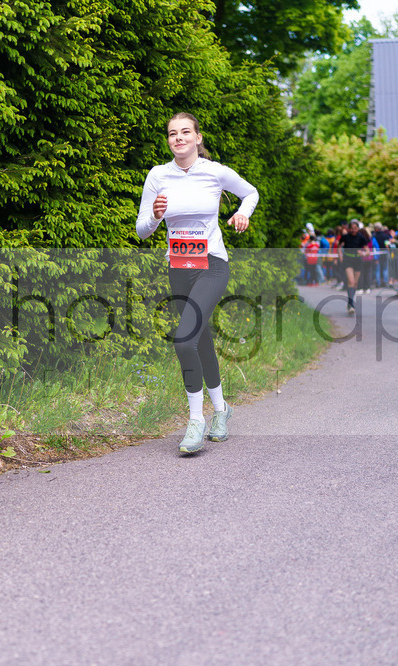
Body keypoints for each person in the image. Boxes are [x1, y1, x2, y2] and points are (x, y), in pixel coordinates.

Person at [136, 112, 258, 454]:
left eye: (185, 132)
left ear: (197, 137)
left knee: (183, 340)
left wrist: (242, 213)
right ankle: (221, 410)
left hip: (211, 265)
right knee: (200, 340)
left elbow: (250, 193)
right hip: (178, 268)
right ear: (168, 140)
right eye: (172, 133)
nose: (179, 138)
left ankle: (195, 420)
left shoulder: (214, 171)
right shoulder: (158, 176)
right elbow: (141, 229)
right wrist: (157, 216)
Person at [338, 219, 370, 314]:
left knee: (355, 283)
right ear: (349, 229)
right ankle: (351, 304)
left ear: (358, 229)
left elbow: (367, 251)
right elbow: (338, 247)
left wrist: (363, 254)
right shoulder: (345, 237)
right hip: (348, 260)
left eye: (355, 228)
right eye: (351, 228)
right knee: (350, 281)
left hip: (358, 261)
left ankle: (350, 301)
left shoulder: (361, 237)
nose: (353, 230)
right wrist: (340, 256)